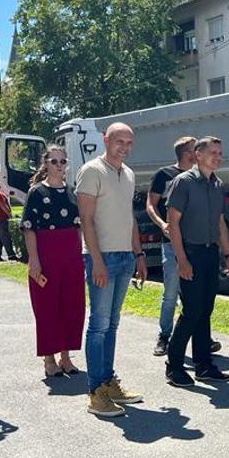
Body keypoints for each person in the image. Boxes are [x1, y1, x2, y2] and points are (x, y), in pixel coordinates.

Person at [75, 122, 147, 418]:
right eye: (119, 141)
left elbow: (129, 217)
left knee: (112, 325)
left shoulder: (127, 174)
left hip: (125, 257)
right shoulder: (92, 171)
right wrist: (97, 260)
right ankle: (96, 394)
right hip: (101, 257)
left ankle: (108, 381)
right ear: (106, 140)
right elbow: (86, 219)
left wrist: (139, 254)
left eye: (129, 142)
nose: (125, 147)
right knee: (99, 325)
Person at [164, 136, 229, 388]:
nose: (218, 157)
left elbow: (219, 223)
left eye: (220, 153)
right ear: (197, 154)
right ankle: (173, 366)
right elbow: (172, 223)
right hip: (190, 253)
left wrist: (228, 255)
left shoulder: (217, 184)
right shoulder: (183, 183)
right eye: (213, 152)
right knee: (191, 311)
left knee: (205, 310)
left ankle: (204, 365)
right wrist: (182, 260)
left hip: (210, 254)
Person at [22, 145, 85, 378]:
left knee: (71, 304)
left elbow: (78, 227)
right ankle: (49, 358)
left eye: (63, 161)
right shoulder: (36, 192)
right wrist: (34, 262)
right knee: (47, 305)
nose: (59, 166)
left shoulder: (72, 191)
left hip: (71, 254)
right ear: (46, 163)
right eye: (54, 161)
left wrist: (80, 254)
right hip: (46, 253)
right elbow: (29, 229)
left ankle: (66, 356)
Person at [146, 136, 196, 357]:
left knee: (196, 294)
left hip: (195, 244)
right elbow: (150, 205)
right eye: (197, 149)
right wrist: (162, 224)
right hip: (170, 245)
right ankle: (164, 336)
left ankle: (201, 336)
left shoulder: (198, 176)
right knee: (170, 293)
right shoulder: (164, 176)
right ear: (187, 154)